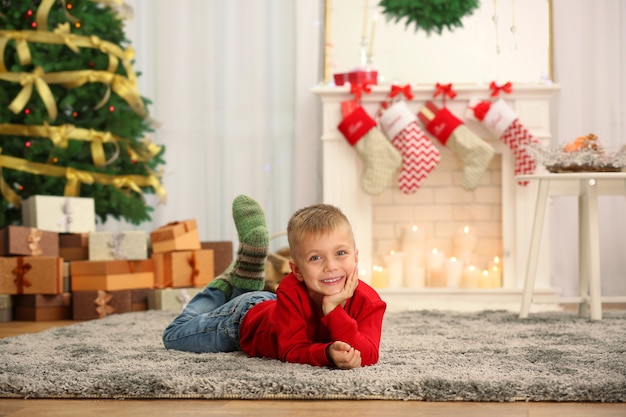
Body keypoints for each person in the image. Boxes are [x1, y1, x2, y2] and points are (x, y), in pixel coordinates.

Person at [162, 195, 387, 369]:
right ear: (297, 270)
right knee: (173, 335)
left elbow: (368, 354)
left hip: (272, 305)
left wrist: (335, 316)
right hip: (242, 322)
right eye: (315, 258)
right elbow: (290, 351)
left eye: (340, 253)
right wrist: (327, 347)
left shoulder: (369, 301)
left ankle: (244, 278)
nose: (331, 266)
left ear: (355, 257)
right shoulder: (291, 287)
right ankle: (221, 286)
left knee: (251, 299)